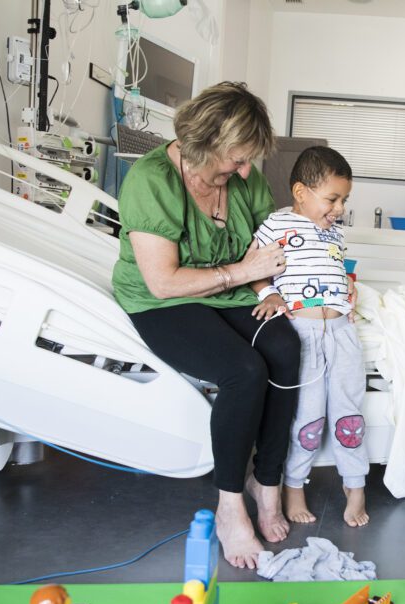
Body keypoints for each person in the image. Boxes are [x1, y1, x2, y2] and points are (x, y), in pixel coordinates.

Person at [112, 82, 299, 570]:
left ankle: (267, 481)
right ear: (204, 144)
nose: (245, 171)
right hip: (164, 302)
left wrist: (277, 289)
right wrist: (242, 272)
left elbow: (267, 249)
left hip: (229, 291)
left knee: (284, 346)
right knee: (243, 370)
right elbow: (163, 282)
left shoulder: (243, 179)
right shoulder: (151, 181)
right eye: (237, 159)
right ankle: (230, 504)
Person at [251, 146, 370, 528]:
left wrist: (349, 285)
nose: (339, 208)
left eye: (344, 200)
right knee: (308, 416)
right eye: (332, 199)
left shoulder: (335, 231)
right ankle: (294, 484)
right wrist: (268, 294)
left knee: (349, 413)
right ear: (301, 192)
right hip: (303, 334)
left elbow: (334, 267)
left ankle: (355, 484)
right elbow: (254, 268)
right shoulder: (276, 225)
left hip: (341, 332)